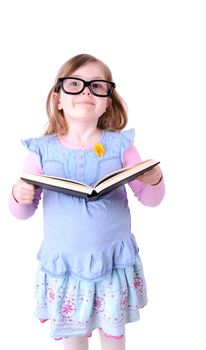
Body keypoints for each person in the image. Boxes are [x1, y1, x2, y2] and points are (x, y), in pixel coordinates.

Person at [9, 53, 165, 350]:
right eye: (75, 85)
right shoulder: (41, 151)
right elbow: (23, 212)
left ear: (108, 100)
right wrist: (19, 195)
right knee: (73, 338)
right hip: (65, 265)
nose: (86, 92)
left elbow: (151, 200)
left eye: (97, 86)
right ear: (58, 98)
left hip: (112, 261)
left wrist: (154, 180)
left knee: (114, 337)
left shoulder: (121, 146)